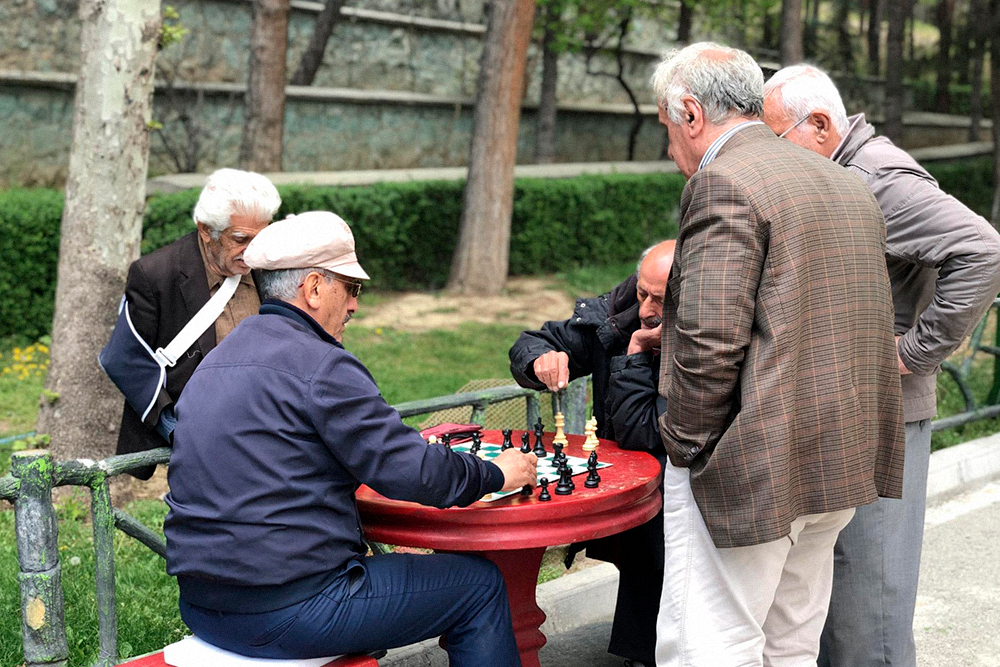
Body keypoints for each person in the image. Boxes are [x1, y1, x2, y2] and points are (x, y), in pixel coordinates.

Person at [163, 211, 537, 665]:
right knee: (478, 586)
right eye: (352, 288)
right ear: (315, 287)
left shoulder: (217, 361)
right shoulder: (321, 364)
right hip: (290, 608)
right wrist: (496, 473)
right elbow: (412, 473)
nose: (356, 305)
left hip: (202, 606)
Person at [650, 43, 905, 667]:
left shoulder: (724, 181)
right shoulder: (846, 183)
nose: (668, 149)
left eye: (665, 129)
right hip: (837, 459)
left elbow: (711, 343)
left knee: (709, 647)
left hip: (749, 467)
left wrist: (684, 446)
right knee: (791, 643)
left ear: (691, 112)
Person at [761, 64, 1000, 667]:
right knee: (839, 602)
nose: (769, 156)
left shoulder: (876, 178)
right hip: (850, 408)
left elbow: (982, 250)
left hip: (883, 414)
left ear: (819, 124)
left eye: (774, 139)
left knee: (871, 608)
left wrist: (912, 351)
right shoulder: (845, 170)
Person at [508, 239, 674, 667]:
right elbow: (533, 341)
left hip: (680, 476)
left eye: (660, 299)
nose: (645, 309)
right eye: (642, 293)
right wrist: (540, 358)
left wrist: (637, 352)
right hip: (633, 474)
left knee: (661, 524)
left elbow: (643, 430)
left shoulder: (701, 333)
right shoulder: (617, 314)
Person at [115, 168, 281, 478]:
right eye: (241, 239)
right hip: (201, 435)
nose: (255, 249)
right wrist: (176, 431)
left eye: (263, 236)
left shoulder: (271, 263)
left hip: (269, 427)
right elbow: (126, 361)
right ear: (205, 230)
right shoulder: (155, 274)